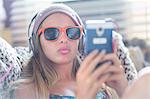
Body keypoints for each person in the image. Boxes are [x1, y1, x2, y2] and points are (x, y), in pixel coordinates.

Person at [0, 3, 137, 99]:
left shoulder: (101, 82)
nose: (63, 39)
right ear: (36, 42)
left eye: (72, 32)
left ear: (81, 39)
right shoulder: (26, 90)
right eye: (51, 33)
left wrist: (123, 90)